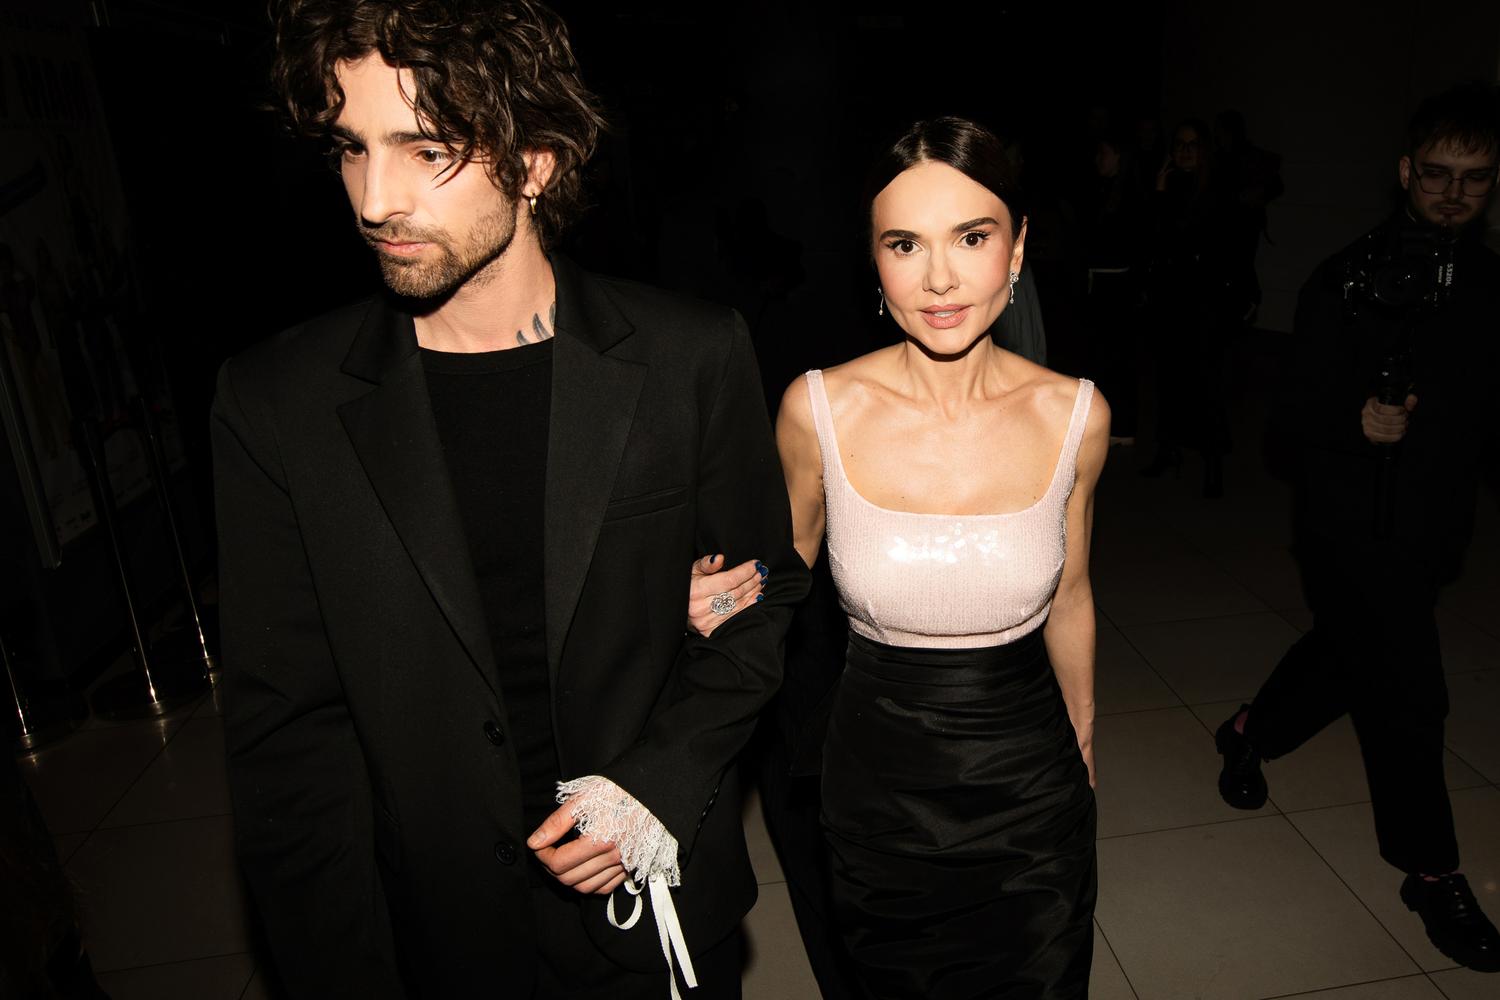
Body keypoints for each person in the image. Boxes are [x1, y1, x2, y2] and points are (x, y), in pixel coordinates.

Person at [213, 2, 807, 997]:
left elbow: (763, 594)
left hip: (648, 917)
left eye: (425, 150)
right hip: (434, 937)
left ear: (536, 163)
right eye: (352, 148)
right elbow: (288, 742)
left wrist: (657, 782)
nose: (374, 199)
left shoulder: (687, 356)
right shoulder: (279, 405)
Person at [700, 116, 1108, 999]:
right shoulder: (820, 409)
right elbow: (780, 572)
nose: (939, 278)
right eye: (905, 244)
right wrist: (707, 597)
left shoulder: (1075, 414)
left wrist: (1080, 741)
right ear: (874, 261)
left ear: (1017, 247)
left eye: (972, 238)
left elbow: (1072, 594)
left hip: (1029, 780)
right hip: (877, 778)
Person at [1215, 83, 1500, 973]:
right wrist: (1355, 420)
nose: (1454, 194)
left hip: (1431, 526)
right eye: (1439, 175)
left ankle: (1250, 731)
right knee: (1410, 693)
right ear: (1406, 171)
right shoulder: (1347, 278)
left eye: (1476, 179)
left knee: (1348, 654)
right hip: (1347, 523)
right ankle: (1431, 871)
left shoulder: (1487, 282)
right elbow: (1287, 419)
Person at [1141, 117, 1236, 497]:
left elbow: (1202, 243)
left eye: (1192, 144)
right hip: (1170, 300)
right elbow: (1156, 240)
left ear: (1204, 149)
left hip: (1203, 302)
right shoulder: (1169, 187)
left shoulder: (1216, 191)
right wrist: (1159, 192)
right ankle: (1167, 449)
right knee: (1168, 379)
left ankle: (1214, 464)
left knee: (1206, 382)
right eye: (1179, 144)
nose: (1184, 151)